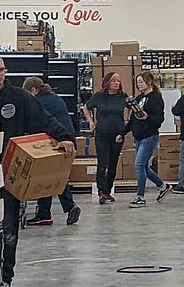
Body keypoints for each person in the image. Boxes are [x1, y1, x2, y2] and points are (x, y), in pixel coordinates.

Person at [0, 52, 76, 287]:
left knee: (9, 228)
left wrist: (65, 137)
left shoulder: (19, 98)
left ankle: (6, 278)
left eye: (2, 69)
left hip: (8, 176)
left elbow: (45, 120)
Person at [21, 77, 82, 226]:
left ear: (33, 90)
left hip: (57, 141)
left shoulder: (38, 102)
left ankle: (61, 208)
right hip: (67, 139)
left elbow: (38, 123)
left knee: (50, 176)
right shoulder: (54, 98)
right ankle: (46, 213)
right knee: (50, 175)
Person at [82, 72, 129, 205]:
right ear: (108, 82)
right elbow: (85, 107)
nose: (116, 83)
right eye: (114, 81)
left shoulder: (123, 97)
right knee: (103, 164)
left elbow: (132, 106)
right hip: (102, 133)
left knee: (113, 165)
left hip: (118, 133)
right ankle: (101, 191)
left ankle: (108, 191)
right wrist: (91, 121)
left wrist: (127, 120)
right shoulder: (99, 96)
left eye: (118, 81)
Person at [127, 71, 171, 207]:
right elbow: (133, 119)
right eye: (138, 82)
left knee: (139, 165)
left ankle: (140, 196)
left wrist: (148, 117)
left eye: (141, 81)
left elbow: (159, 119)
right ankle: (163, 186)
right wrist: (122, 132)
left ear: (149, 82)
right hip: (138, 137)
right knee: (144, 167)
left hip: (149, 136)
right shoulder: (139, 98)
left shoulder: (155, 98)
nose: (139, 84)